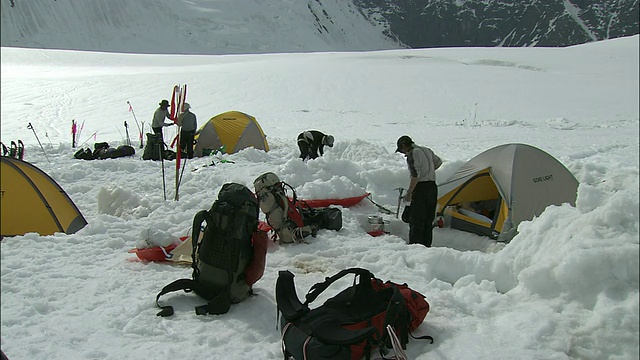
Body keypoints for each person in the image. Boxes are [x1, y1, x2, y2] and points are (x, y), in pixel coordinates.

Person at [396, 135, 442, 247]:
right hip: (432, 186)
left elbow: (415, 175)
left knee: (416, 220)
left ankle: (415, 247)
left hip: (420, 188)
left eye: (402, 151)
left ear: (404, 146)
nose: (404, 154)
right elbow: (438, 162)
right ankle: (427, 245)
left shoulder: (412, 154)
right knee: (428, 219)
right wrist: (428, 170)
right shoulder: (427, 150)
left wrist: (410, 191)